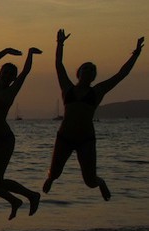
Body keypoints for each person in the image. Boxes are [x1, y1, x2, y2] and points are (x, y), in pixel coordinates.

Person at [43, 29, 143, 201]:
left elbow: (121, 74)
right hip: (64, 137)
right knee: (54, 173)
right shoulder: (68, 88)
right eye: (85, 68)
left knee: (90, 181)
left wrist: (136, 54)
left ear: (94, 76)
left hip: (86, 139)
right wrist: (60, 44)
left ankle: (101, 183)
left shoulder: (97, 91)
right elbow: (59, 65)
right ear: (79, 73)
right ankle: (51, 179)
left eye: (91, 70)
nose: (88, 71)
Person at [0, 47, 43, 220]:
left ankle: (31, 195)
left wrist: (29, 54)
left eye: (10, 74)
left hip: (3, 139)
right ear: (0, 73)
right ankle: (14, 201)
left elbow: (26, 72)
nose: (7, 75)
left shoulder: (12, 90)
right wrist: (6, 51)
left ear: (13, 78)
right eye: (5, 72)